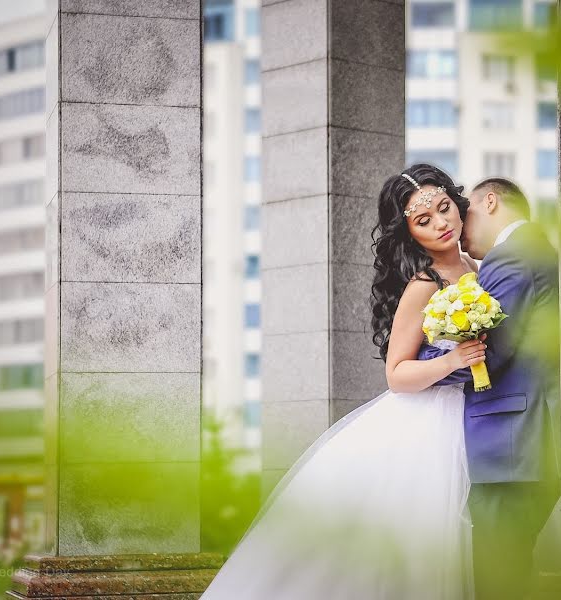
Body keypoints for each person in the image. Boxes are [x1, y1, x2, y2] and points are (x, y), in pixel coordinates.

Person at [199, 164, 488, 599]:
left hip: (470, 410)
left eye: (444, 209)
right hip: (428, 421)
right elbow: (396, 373)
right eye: (424, 221)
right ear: (410, 234)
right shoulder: (423, 285)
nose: (441, 224)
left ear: (456, 201)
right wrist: (451, 362)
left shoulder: (478, 264)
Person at [418, 177, 561, 599]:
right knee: (510, 569)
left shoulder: (512, 256)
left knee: (498, 574)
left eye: (466, 213)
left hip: (510, 442)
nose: (459, 227)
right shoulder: (538, 250)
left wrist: (423, 368)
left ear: (491, 201)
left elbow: (489, 352)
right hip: (525, 441)